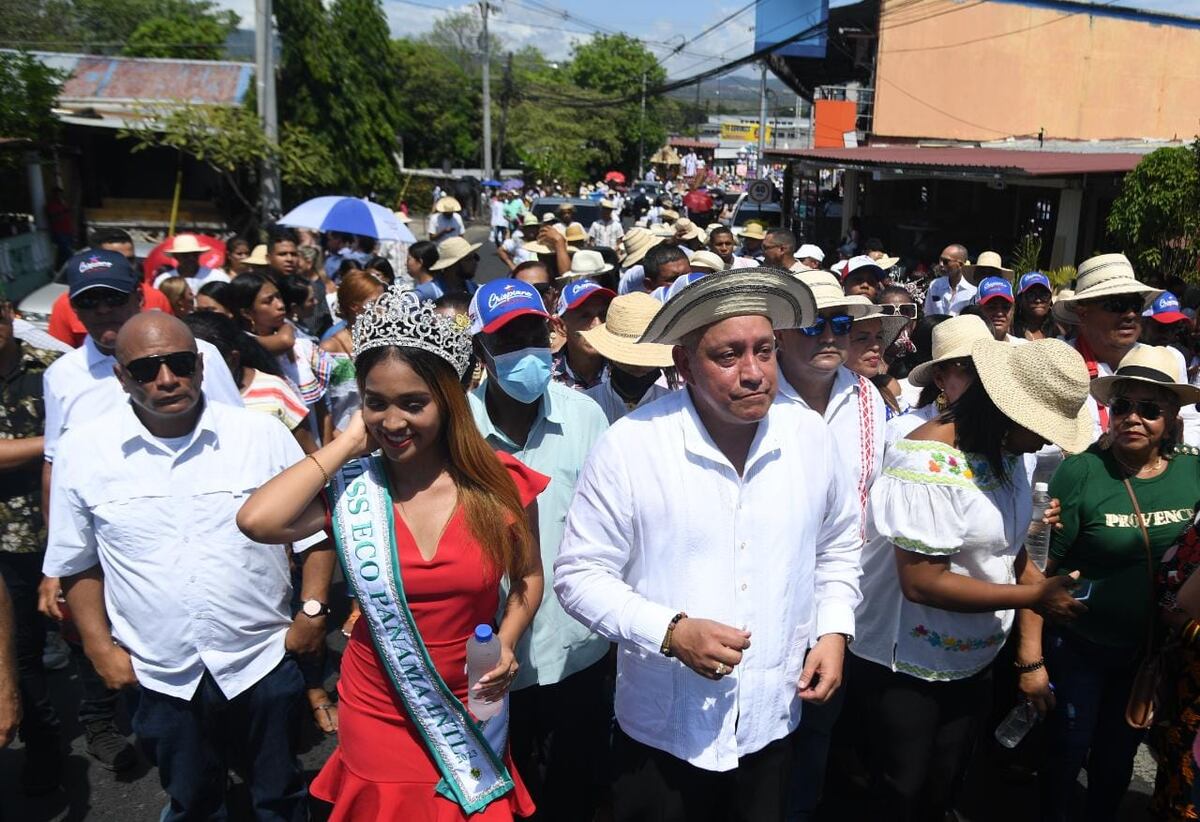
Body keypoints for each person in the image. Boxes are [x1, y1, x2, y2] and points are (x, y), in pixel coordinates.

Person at [554, 267, 862, 822]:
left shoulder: (809, 437)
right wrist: (670, 632)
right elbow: (579, 576)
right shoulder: (630, 447)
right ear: (684, 365)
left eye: (764, 351)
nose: (753, 373)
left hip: (771, 716)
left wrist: (834, 629)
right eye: (728, 356)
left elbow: (837, 545)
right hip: (663, 729)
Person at [237, 290, 544, 821]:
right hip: (378, 701)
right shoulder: (354, 490)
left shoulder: (499, 486)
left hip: (471, 698)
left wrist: (510, 641)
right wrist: (346, 445)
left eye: (413, 403)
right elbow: (258, 520)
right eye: (376, 402)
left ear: (448, 402)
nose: (393, 421)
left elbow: (529, 578)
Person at [44, 312, 332, 821]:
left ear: (200, 366)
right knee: (193, 801)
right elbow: (78, 562)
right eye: (146, 369)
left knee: (280, 795)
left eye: (178, 363)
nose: (166, 379)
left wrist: (311, 612)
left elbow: (315, 532)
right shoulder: (83, 452)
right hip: (159, 672)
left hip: (259, 660)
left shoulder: (259, 436)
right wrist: (98, 648)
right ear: (120, 377)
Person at [846, 338, 1091, 820]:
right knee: (900, 789)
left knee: (945, 783)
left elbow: (1007, 544)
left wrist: (1037, 598)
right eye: (1040, 427)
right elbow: (922, 582)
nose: (1046, 442)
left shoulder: (1006, 454)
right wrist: (1034, 596)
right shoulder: (928, 461)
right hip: (906, 664)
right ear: (1005, 410)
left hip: (974, 655)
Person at [38, 251, 243, 771]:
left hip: (201, 531)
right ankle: (123, 730)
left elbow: (238, 442)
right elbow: (56, 466)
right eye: (90, 304)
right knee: (126, 658)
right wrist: (53, 565)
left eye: (114, 299)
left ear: (138, 296)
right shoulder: (62, 375)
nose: (105, 313)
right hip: (111, 534)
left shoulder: (201, 356)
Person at [1022, 345, 1200, 822]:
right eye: (1123, 407)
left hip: (1147, 655)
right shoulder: (1082, 471)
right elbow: (1038, 573)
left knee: (1117, 761)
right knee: (1066, 752)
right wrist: (1032, 659)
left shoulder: (1193, 470)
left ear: (1172, 417)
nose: (1133, 419)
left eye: (1149, 409)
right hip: (1079, 645)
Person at [466, 278, 612, 820]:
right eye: (507, 341)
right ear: (481, 349)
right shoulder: (457, 430)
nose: (525, 352)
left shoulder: (586, 417)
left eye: (534, 334)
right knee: (498, 794)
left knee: (575, 791)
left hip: (578, 649)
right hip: (488, 659)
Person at [773, 272, 886, 819]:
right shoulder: (757, 396)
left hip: (838, 601)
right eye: (814, 323)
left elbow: (872, 492)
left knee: (817, 731)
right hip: (768, 597)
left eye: (841, 325)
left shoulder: (867, 398)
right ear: (781, 332)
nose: (830, 336)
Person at [0, 285, 66, 793]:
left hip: (62, 525)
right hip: (5, 541)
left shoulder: (52, 368)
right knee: (19, 649)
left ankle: (104, 726)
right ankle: (43, 743)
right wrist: (59, 441)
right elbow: (75, 438)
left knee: (85, 636)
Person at [1057, 253, 1163, 441]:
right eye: (1117, 305)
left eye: (1136, 305)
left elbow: (1190, 424)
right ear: (1083, 313)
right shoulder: (1057, 365)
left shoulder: (1161, 362)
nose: (1130, 314)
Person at [184, 310, 317, 454]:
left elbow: (309, 452)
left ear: (233, 360)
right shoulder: (181, 405)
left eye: (210, 366)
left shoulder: (272, 391)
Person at [48, 229, 176, 348]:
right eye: (89, 301)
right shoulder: (63, 305)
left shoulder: (157, 297)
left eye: (130, 259)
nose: (103, 309)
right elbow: (59, 351)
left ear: (139, 298)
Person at [582, 292, 676, 423]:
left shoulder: (675, 410)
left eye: (646, 359)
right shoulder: (585, 407)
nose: (637, 367)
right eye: (627, 360)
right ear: (611, 357)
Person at [550, 280, 615, 393]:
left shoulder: (625, 368)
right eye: (585, 316)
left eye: (603, 315)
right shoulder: (545, 376)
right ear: (560, 326)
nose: (597, 324)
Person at [416, 237, 481, 303]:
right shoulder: (427, 293)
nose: (475, 262)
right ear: (453, 265)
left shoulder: (473, 288)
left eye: (475, 257)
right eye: (469, 259)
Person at [160, 234, 229, 291]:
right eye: (185, 255)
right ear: (176, 256)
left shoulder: (217, 276)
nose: (191, 258)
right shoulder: (164, 280)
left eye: (195, 254)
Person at [922, 244, 976, 316]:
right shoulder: (935, 285)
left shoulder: (973, 290)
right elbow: (928, 314)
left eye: (946, 261)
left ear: (960, 265)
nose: (941, 264)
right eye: (940, 260)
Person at [975, 276, 1022, 343]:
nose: (999, 313)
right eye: (992, 307)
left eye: (1005, 307)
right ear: (979, 310)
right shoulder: (966, 349)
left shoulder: (1023, 346)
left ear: (1013, 310)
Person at [1013, 271, 1056, 341]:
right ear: (1020, 299)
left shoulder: (1058, 331)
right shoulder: (1011, 331)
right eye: (1031, 295)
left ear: (1050, 300)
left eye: (1044, 295)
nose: (1038, 300)